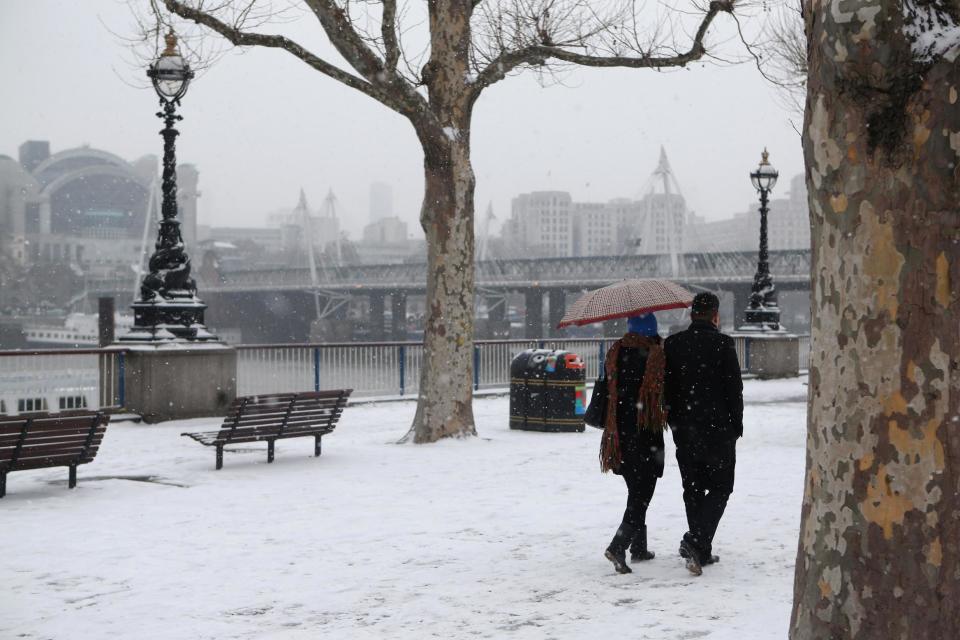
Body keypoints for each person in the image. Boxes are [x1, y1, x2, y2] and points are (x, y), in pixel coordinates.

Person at [664, 292, 743, 576]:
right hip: (718, 430)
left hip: (685, 430)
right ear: (715, 315)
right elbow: (734, 389)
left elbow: (667, 390)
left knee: (693, 488)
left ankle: (701, 549)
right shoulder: (723, 344)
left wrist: (674, 422)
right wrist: (737, 426)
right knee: (721, 487)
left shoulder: (673, 344)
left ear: (692, 314)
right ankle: (697, 542)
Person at [600, 313, 667, 574]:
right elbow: (662, 394)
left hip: (618, 434)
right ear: (652, 329)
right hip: (645, 432)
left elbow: (609, 388)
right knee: (642, 493)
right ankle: (619, 545)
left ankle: (639, 547)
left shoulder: (615, 352)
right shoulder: (655, 355)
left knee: (635, 490)